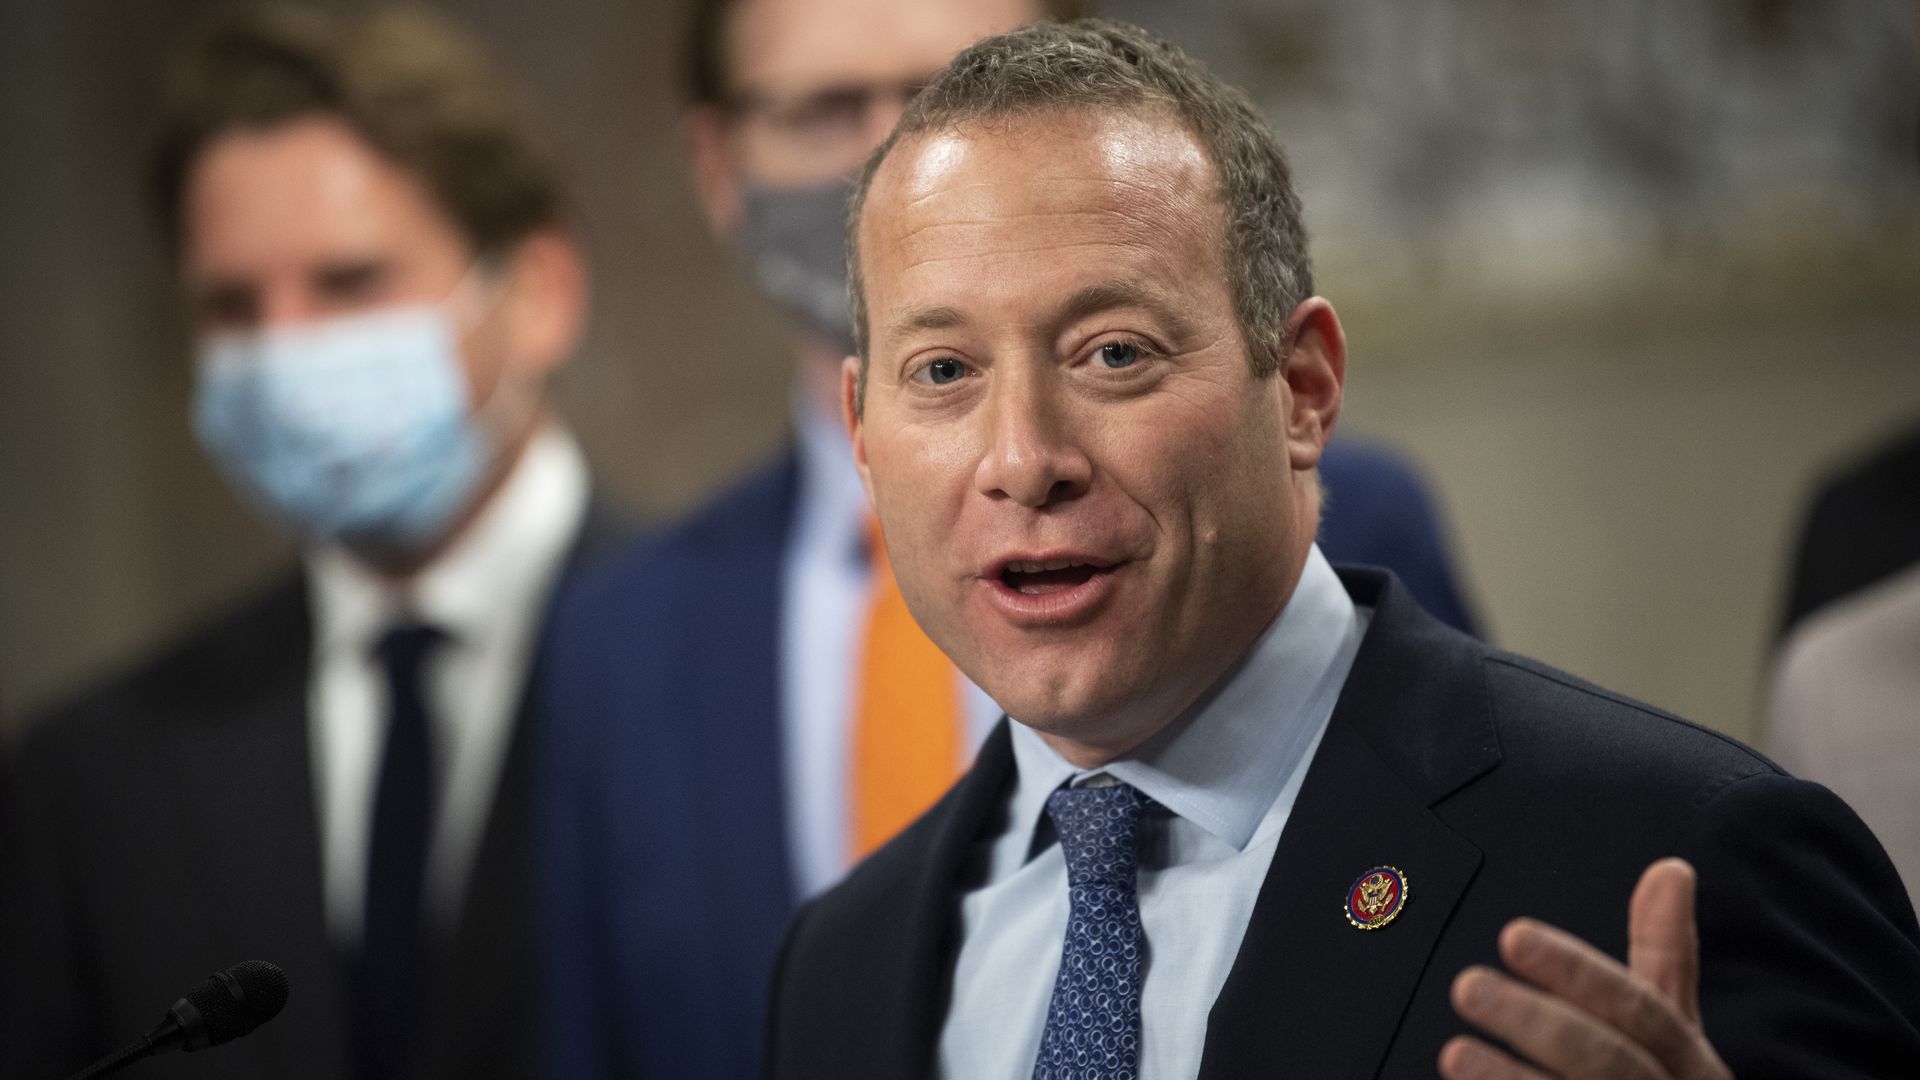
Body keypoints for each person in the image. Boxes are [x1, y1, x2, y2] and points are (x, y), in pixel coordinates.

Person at [763, 20, 1920, 1079]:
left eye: (1113, 354)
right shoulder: (839, 968)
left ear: (1305, 389)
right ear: (864, 432)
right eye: (945, 373)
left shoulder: (1679, 859)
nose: (1024, 457)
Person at [535, 0, 1478, 1074]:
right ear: (717, 161)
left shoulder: (1339, 518)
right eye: (827, 108)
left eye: (962, 85)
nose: (1025, 462)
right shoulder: (623, 637)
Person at [0, 8, 628, 1080]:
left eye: (350, 283)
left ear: (534, 293)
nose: (285, 350)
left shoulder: (739, 673)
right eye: (233, 305)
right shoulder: (89, 780)